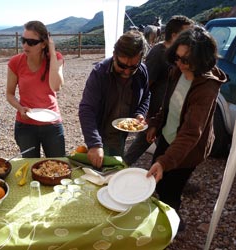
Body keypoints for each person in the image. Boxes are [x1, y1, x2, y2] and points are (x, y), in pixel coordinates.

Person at [146, 26, 228, 230]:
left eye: (186, 60)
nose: (180, 63)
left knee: (171, 190)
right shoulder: (177, 70)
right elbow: (170, 104)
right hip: (167, 138)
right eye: (178, 57)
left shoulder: (206, 87)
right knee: (161, 183)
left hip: (188, 149)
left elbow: (192, 132)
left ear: (202, 59)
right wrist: (156, 123)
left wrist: (164, 162)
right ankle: (165, 217)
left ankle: (173, 226)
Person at [124, 15, 195, 166]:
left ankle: (159, 174)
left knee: (167, 145)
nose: (190, 38)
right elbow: (146, 83)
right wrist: (145, 112)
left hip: (170, 111)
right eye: (187, 33)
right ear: (175, 35)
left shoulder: (179, 54)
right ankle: (120, 168)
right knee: (142, 142)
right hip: (156, 111)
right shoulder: (158, 53)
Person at [79, 30, 150, 168]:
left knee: (114, 170)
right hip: (101, 133)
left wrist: (139, 113)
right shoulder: (99, 73)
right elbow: (87, 109)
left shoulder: (142, 72)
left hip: (121, 135)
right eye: (122, 65)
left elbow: (146, 95)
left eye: (133, 67)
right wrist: (94, 144)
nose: (127, 72)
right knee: (97, 172)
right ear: (114, 55)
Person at [6, 20, 65, 158]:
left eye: (31, 42)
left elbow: (56, 86)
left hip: (52, 123)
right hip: (25, 125)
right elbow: (9, 94)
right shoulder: (15, 62)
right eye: (23, 40)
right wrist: (20, 108)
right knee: (30, 168)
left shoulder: (55, 58)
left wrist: (51, 51)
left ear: (43, 43)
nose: (25, 45)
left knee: (58, 165)